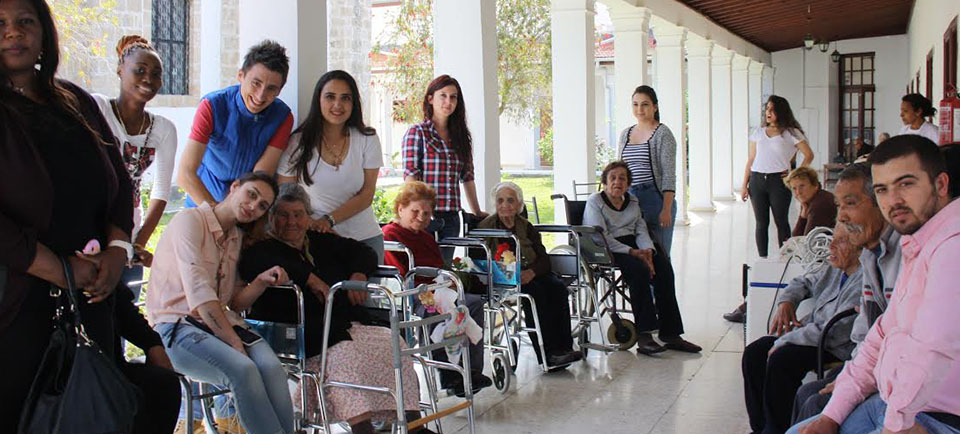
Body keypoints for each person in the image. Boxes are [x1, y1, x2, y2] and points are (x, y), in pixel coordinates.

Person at [0, 0, 136, 429]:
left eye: (25, 21)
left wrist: (117, 251)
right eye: (0, 24)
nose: (13, 32)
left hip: (91, 297)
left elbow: (119, 181)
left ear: (44, 33)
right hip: (17, 304)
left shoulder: (75, 100)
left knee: (90, 413)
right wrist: (59, 271)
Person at [790, 136, 960, 434]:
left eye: (906, 184)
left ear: (941, 185)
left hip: (934, 416)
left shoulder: (951, 248)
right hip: (892, 402)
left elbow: (933, 350)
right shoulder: (918, 242)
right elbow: (881, 333)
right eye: (882, 190)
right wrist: (832, 415)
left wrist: (896, 423)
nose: (893, 201)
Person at [239, 183, 436, 434]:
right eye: (283, 215)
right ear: (271, 218)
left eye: (298, 214)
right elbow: (256, 264)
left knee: (393, 342)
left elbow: (363, 251)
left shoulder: (319, 241)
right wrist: (309, 278)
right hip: (302, 330)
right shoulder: (262, 248)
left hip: (343, 323)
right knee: (344, 355)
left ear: (308, 216)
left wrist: (359, 273)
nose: (291, 222)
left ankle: (413, 423)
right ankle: (361, 428)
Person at [147, 172, 295, 434]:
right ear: (234, 187)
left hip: (221, 325)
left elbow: (234, 303)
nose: (253, 206)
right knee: (244, 370)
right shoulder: (189, 220)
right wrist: (234, 343)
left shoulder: (235, 237)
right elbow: (201, 297)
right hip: (175, 327)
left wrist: (260, 281)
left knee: (273, 368)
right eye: (251, 194)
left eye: (262, 206)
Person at [790, 163, 901, 424]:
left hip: (897, 384)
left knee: (814, 401)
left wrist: (853, 383)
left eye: (850, 204)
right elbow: (866, 335)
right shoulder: (871, 257)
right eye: (839, 206)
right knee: (808, 394)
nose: (841, 217)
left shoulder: (905, 257)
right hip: (870, 367)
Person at [742, 224, 863, 434]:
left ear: (859, 248)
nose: (831, 246)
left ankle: (776, 429)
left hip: (835, 345)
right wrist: (787, 302)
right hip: (810, 335)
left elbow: (835, 331)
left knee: (782, 359)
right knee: (754, 352)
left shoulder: (863, 280)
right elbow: (803, 281)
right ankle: (760, 427)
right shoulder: (835, 269)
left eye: (841, 241)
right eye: (833, 239)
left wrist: (787, 339)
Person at [382, 181, 493, 396]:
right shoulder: (390, 235)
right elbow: (400, 275)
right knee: (436, 311)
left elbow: (439, 267)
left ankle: (471, 371)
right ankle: (450, 376)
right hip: (411, 295)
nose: (421, 217)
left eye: (426, 213)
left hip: (437, 289)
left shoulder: (425, 237)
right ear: (400, 209)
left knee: (473, 303)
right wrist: (433, 288)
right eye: (415, 211)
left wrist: (446, 282)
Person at [583, 161, 701, 355]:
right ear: (605, 182)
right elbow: (599, 236)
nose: (617, 182)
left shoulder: (632, 201)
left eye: (622, 178)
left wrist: (647, 252)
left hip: (635, 244)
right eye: (613, 178)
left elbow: (640, 229)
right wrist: (632, 252)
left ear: (628, 184)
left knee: (664, 268)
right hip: (609, 248)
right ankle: (645, 334)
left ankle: (671, 334)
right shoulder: (595, 201)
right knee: (639, 271)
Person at [92, 35, 178, 300]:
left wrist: (138, 242)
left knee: (125, 304)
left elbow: (161, 191)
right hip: (91, 226)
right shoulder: (98, 108)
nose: (148, 79)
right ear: (120, 70)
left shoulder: (163, 129)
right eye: (139, 70)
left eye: (156, 74)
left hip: (129, 228)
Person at [278, 70, 384, 262]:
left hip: (365, 239)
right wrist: (313, 224)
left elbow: (367, 194)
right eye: (330, 97)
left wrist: (328, 220)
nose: (337, 105)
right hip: (316, 240)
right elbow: (286, 194)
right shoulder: (298, 143)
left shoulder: (367, 138)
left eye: (345, 98)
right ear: (318, 100)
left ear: (353, 103)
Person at [474, 182, 583, 368]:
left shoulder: (526, 226)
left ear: (519, 204)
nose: (505, 205)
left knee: (557, 288)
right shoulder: (485, 227)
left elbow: (543, 259)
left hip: (530, 272)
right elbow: (477, 261)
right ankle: (547, 355)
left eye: (510, 200)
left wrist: (532, 272)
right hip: (503, 279)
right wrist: (508, 274)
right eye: (500, 201)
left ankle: (565, 348)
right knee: (536, 293)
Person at [728, 95, 815, 323]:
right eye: (767, 109)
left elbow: (809, 155)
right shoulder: (758, 133)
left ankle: (785, 257)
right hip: (758, 179)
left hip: (779, 181)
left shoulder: (791, 133)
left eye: (773, 109)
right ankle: (763, 259)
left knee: (781, 221)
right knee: (761, 223)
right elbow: (751, 159)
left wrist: (794, 173)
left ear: (782, 112)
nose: (768, 113)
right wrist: (744, 184)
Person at [177, 40, 294, 208]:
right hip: (202, 202)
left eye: (271, 88)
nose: (260, 95)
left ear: (280, 90)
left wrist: (237, 214)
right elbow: (185, 173)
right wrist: (216, 214)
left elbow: (261, 177)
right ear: (241, 76)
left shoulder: (283, 117)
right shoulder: (212, 106)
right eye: (256, 83)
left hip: (247, 206)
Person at [401, 75, 487, 261]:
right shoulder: (418, 132)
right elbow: (411, 178)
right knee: (423, 268)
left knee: (443, 269)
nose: (448, 102)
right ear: (430, 99)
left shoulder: (461, 136)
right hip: (424, 216)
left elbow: (467, 177)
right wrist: (413, 212)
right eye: (443, 95)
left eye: (453, 97)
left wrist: (477, 211)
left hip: (452, 219)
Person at [113, 279, 181, 434]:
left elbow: (125, 311)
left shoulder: (105, 274)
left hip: (109, 366)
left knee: (162, 382)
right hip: (65, 370)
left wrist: (153, 344)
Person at [617, 85, 679, 255]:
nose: (639, 109)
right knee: (638, 256)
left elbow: (668, 175)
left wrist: (666, 209)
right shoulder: (625, 134)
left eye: (645, 104)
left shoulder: (663, 134)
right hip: (629, 201)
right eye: (635, 104)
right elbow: (620, 169)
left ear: (655, 107)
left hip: (655, 199)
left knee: (660, 255)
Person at [785, 167, 836, 237]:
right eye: (794, 188)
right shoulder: (809, 200)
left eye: (802, 186)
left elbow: (808, 238)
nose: (798, 192)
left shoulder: (819, 204)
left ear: (815, 185)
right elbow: (796, 236)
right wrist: (803, 215)